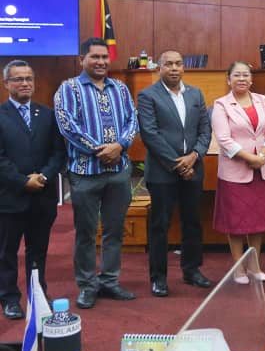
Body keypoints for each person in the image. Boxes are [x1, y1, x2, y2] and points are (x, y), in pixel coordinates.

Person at [54, 37, 139, 309]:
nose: (101, 62)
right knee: (86, 233)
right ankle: (88, 285)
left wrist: (120, 145)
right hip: (85, 173)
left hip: (118, 172)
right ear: (82, 60)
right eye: (95, 57)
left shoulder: (120, 88)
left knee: (115, 230)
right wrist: (101, 150)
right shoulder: (68, 88)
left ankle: (110, 281)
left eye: (104, 57)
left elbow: (132, 120)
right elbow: (67, 125)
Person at [137, 51, 212, 297]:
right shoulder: (148, 95)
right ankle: (158, 278)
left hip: (194, 168)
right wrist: (178, 164)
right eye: (168, 64)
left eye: (178, 64)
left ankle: (192, 270)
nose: (174, 68)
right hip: (162, 172)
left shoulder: (195, 94)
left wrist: (194, 156)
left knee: (192, 222)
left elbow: (205, 130)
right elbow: (150, 134)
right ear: (159, 68)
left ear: (183, 68)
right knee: (160, 225)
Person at [0, 60, 65, 319]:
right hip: (9, 198)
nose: (25, 83)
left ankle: (37, 294)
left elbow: (58, 153)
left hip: (42, 196)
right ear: (6, 84)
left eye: (29, 78)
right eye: (18, 79)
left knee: (38, 251)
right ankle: (9, 298)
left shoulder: (47, 114)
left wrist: (44, 176)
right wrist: (21, 181)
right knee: (6, 252)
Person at [211, 62, 265, 283]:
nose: (241, 79)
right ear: (228, 79)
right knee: (236, 223)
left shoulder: (262, 100)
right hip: (235, 173)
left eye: (245, 75)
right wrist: (251, 158)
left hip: (261, 171)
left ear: (251, 79)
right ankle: (239, 268)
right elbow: (224, 139)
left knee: (258, 222)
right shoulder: (221, 104)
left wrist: (263, 155)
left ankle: (254, 265)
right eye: (237, 75)